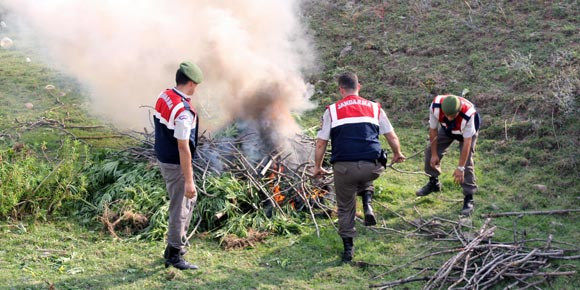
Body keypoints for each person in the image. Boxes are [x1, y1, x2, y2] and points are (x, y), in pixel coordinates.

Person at [313, 71, 405, 263]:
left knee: (346, 207)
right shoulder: (375, 108)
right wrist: (397, 154)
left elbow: (321, 143)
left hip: (345, 169)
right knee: (365, 172)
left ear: (341, 90)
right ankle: (367, 202)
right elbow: (391, 136)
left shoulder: (332, 110)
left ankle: (348, 250)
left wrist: (317, 167)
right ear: (359, 87)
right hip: (373, 167)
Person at [154, 61, 203, 270]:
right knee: (180, 207)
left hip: (164, 156)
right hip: (175, 163)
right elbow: (184, 148)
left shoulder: (164, 95)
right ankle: (173, 254)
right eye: (196, 85)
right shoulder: (183, 112)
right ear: (191, 83)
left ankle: (176, 244)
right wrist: (189, 181)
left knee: (186, 203)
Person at [415, 94, 480, 216]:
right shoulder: (436, 106)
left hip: (466, 133)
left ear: (458, 111)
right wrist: (435, 154)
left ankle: (468, 197)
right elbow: (433, 130)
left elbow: (466, 143)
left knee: (466, 162)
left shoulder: (468, 114)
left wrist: (460, 168)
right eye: (447, 115)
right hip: (447, 130)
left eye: (452, 116)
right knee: (430, 153)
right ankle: (433, 182)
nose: (449, 118)